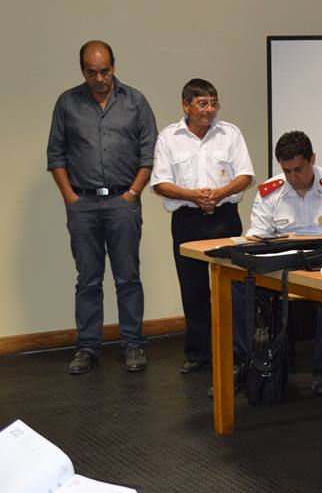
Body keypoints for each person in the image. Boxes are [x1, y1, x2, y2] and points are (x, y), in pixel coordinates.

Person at [47, 40, 158, 374]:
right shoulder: (67, 103)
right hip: (83, 203)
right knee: (88, 280)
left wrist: (134, 193)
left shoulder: (135, 102)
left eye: (105, 71)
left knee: (128, 278)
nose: (99, 78)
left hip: (123, 201)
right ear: (83, 70)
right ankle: (87, 348)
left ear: (114, 66)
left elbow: (149, 153)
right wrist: (70, 198)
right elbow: (56, 155)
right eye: (92, 72)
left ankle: (133, 345)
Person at [150, 79, 255, 374]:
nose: (209, 110)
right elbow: (160, 183)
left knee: (233, 287)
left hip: (225, 217)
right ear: (186, 105)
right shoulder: (169, 137)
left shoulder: (230, 134)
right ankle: (199, 353)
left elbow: (245, 175)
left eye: (213, 103)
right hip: (187, 221)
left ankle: (237, 352)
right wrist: (193, 196)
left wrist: (218, 194)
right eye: (202, 104)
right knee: (193, 288)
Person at [247, 130, 322, 394]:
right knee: (241, 287)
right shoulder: (269, 191)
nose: (293, 177)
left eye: (299, 169)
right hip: (283, 265)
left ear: (313, 160)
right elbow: (258, 236)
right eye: (286, 171)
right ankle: (254, 363)